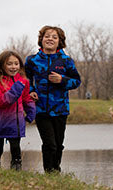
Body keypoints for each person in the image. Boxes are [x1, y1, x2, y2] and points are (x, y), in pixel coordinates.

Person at [25, 25, 81, 173]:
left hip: (60, 109)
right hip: (41, 108)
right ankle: (49, 172)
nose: (50, 39)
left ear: (59, 42)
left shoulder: (66, 60)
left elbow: (76, 81)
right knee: (49, 143)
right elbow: (26, 80)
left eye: (54, 37)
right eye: (47, 36)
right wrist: (31, 91)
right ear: (41, 39)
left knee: (58, 144)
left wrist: (61, 80)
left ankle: (56, 170)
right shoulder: (32, 61)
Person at [0, 50, 36, 170]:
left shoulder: (23, 81)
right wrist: (16, 89)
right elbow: (0, 101)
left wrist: (31, 112)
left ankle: (16, 171)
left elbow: (26, 98)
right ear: (2, 65)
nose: (13, 67)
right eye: (9, 64)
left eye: (16, 63)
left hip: (16, 122)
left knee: (15, 148)